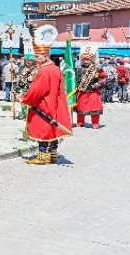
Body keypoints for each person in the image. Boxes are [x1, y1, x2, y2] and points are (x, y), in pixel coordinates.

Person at [21, 27, 72, 165]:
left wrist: (25, 98)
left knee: (42, 130)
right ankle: (53, 155)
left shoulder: (44, 71)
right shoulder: (55, 69)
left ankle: (43, 157)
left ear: (45, 56)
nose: (36, 59)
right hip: (54, 104)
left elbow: (37, 90)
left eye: (38, 57)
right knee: (52, 129)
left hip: (43, 105)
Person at [74, 48, 106, 129]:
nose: (86, 61)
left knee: (95, 108)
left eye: (88, 59)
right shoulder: (78, 68)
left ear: (91, 59)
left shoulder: (97, 68)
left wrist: (99, 83)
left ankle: (95, 123)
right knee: (80, 107)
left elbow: (105, 78)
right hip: (81, 91)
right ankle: (80, 122)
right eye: (84, 59)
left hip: (93, 91)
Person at [13, 54, 38, 120]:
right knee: (22, 101)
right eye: (27, 60)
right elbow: (19, 76)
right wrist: (15, 73)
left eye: (30, 60)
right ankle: (25, 115)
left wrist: (32, 78)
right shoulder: (21, 68)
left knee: (30, 103)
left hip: (31, 88)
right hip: (22, 87)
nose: (28, 62)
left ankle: (30, 116)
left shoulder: (36, 69)